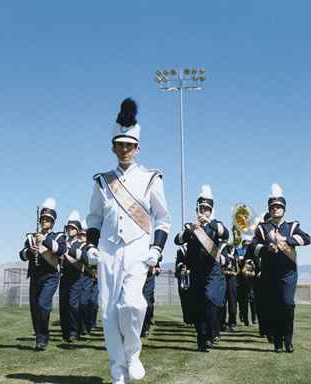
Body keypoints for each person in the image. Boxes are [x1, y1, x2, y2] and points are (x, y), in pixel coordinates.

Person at [82, 98, 171, 384]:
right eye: (120, 145)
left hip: (137, 250)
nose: (124, 150)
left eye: (129, 145)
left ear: (138, 148)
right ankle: (117, 367)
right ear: (113, 147)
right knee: (108, 312)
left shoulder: (150, 178)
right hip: (108, 251)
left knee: (134, 305)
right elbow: (94, 218)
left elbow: (163, 218)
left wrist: (157, 249)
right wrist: (91, 246)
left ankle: (132, 353)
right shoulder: (102, 182)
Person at [248, 184, 311, 353]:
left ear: (284, 209)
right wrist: (267, 247)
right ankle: (277, 341)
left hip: (288, 273)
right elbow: (252, 247)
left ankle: (288, 339)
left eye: (279, 207)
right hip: (269, 273)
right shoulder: (263, 228)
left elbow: (306, 238)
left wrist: (287, 240)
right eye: (273, 207)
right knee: (274, 306)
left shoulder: (291, 226)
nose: (276, 209)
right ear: (269, 209)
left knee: (288, 304)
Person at [174, 185, 228, 352]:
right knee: (198, 305)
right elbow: (178, 240)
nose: (204, 211)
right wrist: (192, 228)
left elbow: (225, 234)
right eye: (201, 208)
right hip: (196, 271)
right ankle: (202, 338)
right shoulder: (191, 227)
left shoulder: (215, 224)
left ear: (211, 210)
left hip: (212, 271)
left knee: (210, 299)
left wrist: (209, 223)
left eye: (207, 209)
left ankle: (212, 333)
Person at [19, 198, 66, 350]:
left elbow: (61, 250)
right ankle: (40, 337)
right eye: (43, 219)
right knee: (34, 308)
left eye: (48, 219)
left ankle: (43, 336)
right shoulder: (32, 237)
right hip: (35, 275)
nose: (44, 221)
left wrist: (44, 241)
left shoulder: (58, 236)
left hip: (51, 276)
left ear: (52, 222)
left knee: (43, 304)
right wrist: (29, 251)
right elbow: (21, 254)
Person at [59, 210, 87, 342]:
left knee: (73, 304)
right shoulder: (63, 242)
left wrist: (67, 254)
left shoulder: (81, 245)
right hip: (64, 276)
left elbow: (81, 263)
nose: (70, 230)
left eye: (73, 228)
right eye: (68, 227)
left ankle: (74, 332)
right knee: (63, 304)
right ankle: (65, 332)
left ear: (77, 230)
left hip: (77, 277)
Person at [175, 245, 192, 325]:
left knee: (192, 299)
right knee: (184, 298)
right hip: (182, 276)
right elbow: (178, 262)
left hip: (192, 276)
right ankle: (187, 319)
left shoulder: (193, 246)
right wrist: (181, 266)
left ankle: (193, 319)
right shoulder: (180, 250)